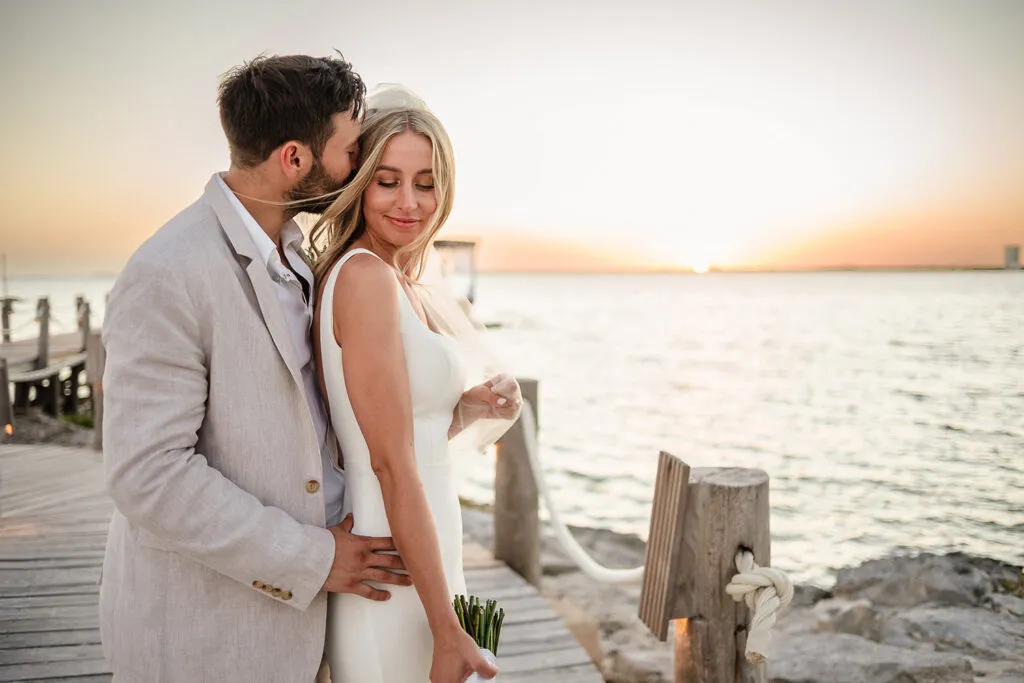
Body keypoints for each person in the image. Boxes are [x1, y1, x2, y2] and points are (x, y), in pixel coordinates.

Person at [99, 55, 412, 683]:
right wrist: (313, 559)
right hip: (205, 641)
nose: (361, 167)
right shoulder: (168, 271)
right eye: (352, 149)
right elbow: (147, 476)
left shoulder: (298, 256)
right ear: (295, 159)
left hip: (305, 638)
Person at [310, 85, 521, 682]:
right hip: (394, 569)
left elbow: (401, 426)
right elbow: (389, 462)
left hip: (425, 554)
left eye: (426, 183)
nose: (409, 201)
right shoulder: (364, 277)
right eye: (388, 180)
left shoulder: (397, 281)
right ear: (360, 185)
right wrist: (447, 628)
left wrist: (465, 407)